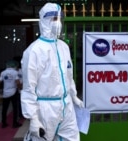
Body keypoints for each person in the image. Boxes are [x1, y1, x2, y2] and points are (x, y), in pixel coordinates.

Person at [21, 2, 84, 141]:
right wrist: (33, 118)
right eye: (53, 19)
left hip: (66, 105)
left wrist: (73, 96)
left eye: (59, 19)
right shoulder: (34, 51)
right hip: (45, 109)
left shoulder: (64, 47)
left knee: (72, 138)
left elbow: (69, 76)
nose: (58, 23)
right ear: (44, 20)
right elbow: (28, 89)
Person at [0, 60, 22, 128]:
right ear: (14, 66)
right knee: (15, 108)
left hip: (5, 93)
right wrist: (20, 88)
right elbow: (18, 82)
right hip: (14, 92)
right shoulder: (15, 72)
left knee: (4, 108)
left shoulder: (3, 72)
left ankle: (4, 123)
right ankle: (15, 123)